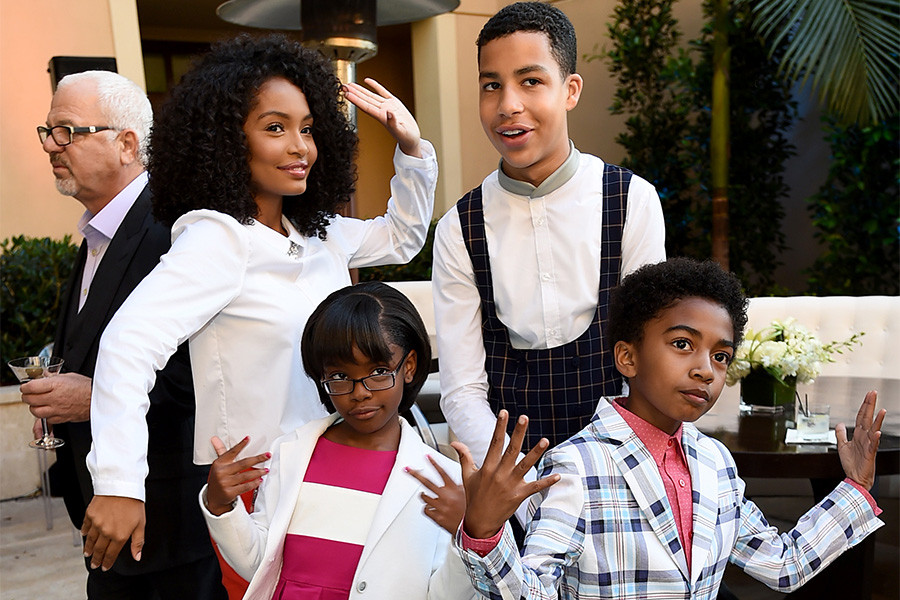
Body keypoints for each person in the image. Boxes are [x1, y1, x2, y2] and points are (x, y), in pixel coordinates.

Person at [79, 34, 438, 594]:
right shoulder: (218, 239)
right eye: (275, 128)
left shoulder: (317, 235)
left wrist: (412, 148)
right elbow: (128, 344)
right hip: (262, 487)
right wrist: (119, 482)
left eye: (307, 128)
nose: (300, 146)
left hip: (342, 461)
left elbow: (404, 236)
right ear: (227, 141)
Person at [451, 257, 886, 599]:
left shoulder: (715, 462)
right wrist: (486, 533)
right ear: (628, 358)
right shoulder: (575, 467)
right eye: (683, 344)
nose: (706, 370)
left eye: (721, 356)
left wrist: (858, 487)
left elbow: (781, 565)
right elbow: (533, 594)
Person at [432, 1, 666, 475]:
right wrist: (524, 487)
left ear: (570, 90)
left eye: (530, 81)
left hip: (622, 466)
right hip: (507, 474)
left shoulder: (630, 201)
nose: (508, 105)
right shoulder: (460, 226)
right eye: (491, 85)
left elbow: (650, 358)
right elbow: (463, 392)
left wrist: (601, 475)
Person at [20, 70, 226, 599]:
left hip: (170, 526)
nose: (50, 146)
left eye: (67, 131)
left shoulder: (176, 228)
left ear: (127, 144)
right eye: (47, 132)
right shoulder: (96, 234)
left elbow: (210, 368)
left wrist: (94, 398)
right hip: (107, 522)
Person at [200, 282, 474, 599]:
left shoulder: (442, 480)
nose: (360, 392)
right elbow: (257, 565)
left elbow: (445, 593)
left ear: (409, 366)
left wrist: (466, 535)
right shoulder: (291, 451)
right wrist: (221, 506)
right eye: (340, 377)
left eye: (379, 371)